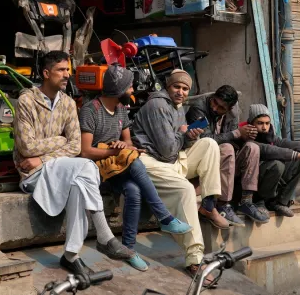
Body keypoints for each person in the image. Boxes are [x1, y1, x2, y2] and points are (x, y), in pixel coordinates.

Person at [14, 51, 133, 276]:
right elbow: (27, 148)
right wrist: (59, 142)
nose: (67, 74)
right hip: (32, 174)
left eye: (68, 69)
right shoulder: (26, 101)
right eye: (61, 70)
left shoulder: (68, 103)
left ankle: (70, 256)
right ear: (46, 73)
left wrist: (44, 155)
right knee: (86, 167)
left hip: (53, 167)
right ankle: (105, 237)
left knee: (81, 180)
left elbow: (76, 146)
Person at [78, 65, 192, 271]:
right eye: (129, 87)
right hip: (94, 169)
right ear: (118, 89)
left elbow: (129, 143)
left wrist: (123, 146)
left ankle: (128, 249)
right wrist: (115, 152)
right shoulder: (90, 110)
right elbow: (85, 151)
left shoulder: (121, 109)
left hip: (116, 166)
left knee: (134, 190)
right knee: (135, 161)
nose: (132, 91)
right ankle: (164, 216)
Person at [131, 69, 228, 285]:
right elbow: (166, 149)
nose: (181, 92)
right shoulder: (158, 105)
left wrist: (190, 136)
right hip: (151, 161)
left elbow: (175, 145)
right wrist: (183, 133)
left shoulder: (177, 107)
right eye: (177, 87)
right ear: (168, 86)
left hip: (172, 159)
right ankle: (194, 259)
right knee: (185, 189)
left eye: (185, 89)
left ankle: (209, 203)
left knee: (210, 144)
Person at [186, 85, 267, 225]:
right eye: (214, 102)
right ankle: (223, 204)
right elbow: (206, 140)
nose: (215, 108)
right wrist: (236, 133)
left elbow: (234, 140)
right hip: (203, 163)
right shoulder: (198, 109)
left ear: (229, 109)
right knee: (227, 148)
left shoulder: (232, 114)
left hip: (224, 164)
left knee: (252, 148)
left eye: (221, 107)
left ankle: (246, 201)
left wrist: (246, 136)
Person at [237, 104, 300, 217]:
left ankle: (279, 202)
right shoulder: (245, 138)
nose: (264, 127)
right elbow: (269, 150)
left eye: (267, 123)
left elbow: (296, 145)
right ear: (251, 123)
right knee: (277, 165)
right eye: (260, 123)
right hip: (247, 186)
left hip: (265, 181)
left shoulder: (271, 137)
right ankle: (260, 202)